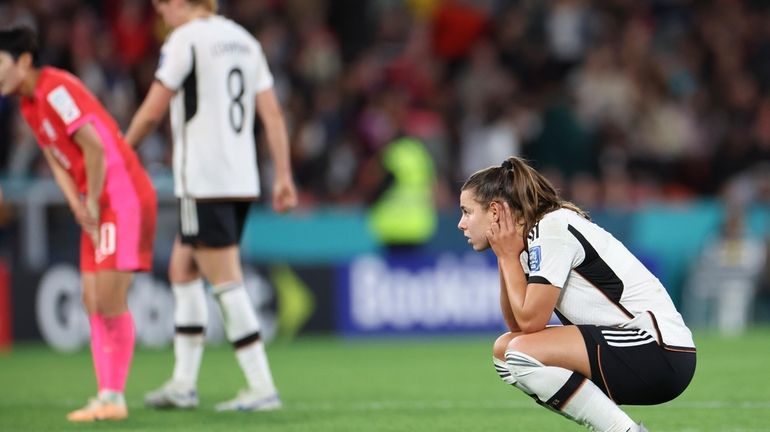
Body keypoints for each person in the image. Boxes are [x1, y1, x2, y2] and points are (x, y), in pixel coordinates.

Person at [124, 0, 297, 412]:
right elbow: (272, 116)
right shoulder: (244, 41)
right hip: (241, 180)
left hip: (204, 182)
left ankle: (261, 387)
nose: (162, 15)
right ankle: (183, 383)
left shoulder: (186, 40)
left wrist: (121, 152)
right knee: (182, 269)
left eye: (164, 6)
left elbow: (152, 110)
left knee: (225, 280)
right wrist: (284, 175)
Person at [457, 156, 696, 432]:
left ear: (496, 211)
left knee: (520, 352)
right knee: (505, 351)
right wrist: (505, 256)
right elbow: (517, 325)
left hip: (659, 350)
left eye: (467, 212)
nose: (461, 224)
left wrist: (509, 257)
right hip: (635, 349)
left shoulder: (551, 228)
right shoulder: (528, 240)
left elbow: (530, 322)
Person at [0, 26, 157, 422]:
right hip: (95, 202)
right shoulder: (28, 105)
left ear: (23, 61)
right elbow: (56, 157)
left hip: (121, 197)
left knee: (107, 300)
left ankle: (115, 397)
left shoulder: (55, 89)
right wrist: (75, 202)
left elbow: (94, 146)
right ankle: (105, 396)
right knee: (91, 302)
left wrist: (92, 198)